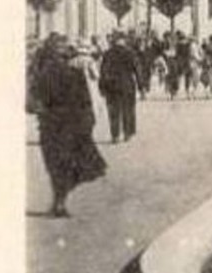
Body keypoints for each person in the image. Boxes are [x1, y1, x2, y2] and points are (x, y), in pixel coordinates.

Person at [28, 35, 107, 217]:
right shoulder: (73, 72)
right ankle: (60, 200)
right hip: (71, 125)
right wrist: (88, 124)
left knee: (54, 164)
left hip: (50, 125)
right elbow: (85, 102)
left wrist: (41, 110)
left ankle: (59, 200)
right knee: (67, 163)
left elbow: (31, 103)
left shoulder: (40, 74)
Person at [97, 33, 140, 143]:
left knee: (113, 111)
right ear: (123, 40)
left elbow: (103, 71)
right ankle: (127, 133)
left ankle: (115, 135)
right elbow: (137, 69)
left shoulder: (108, 53)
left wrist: (102, 87)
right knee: (128, 109)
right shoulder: (130, 52)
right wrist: (141, 84)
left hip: (112, 86)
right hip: (127, 85)